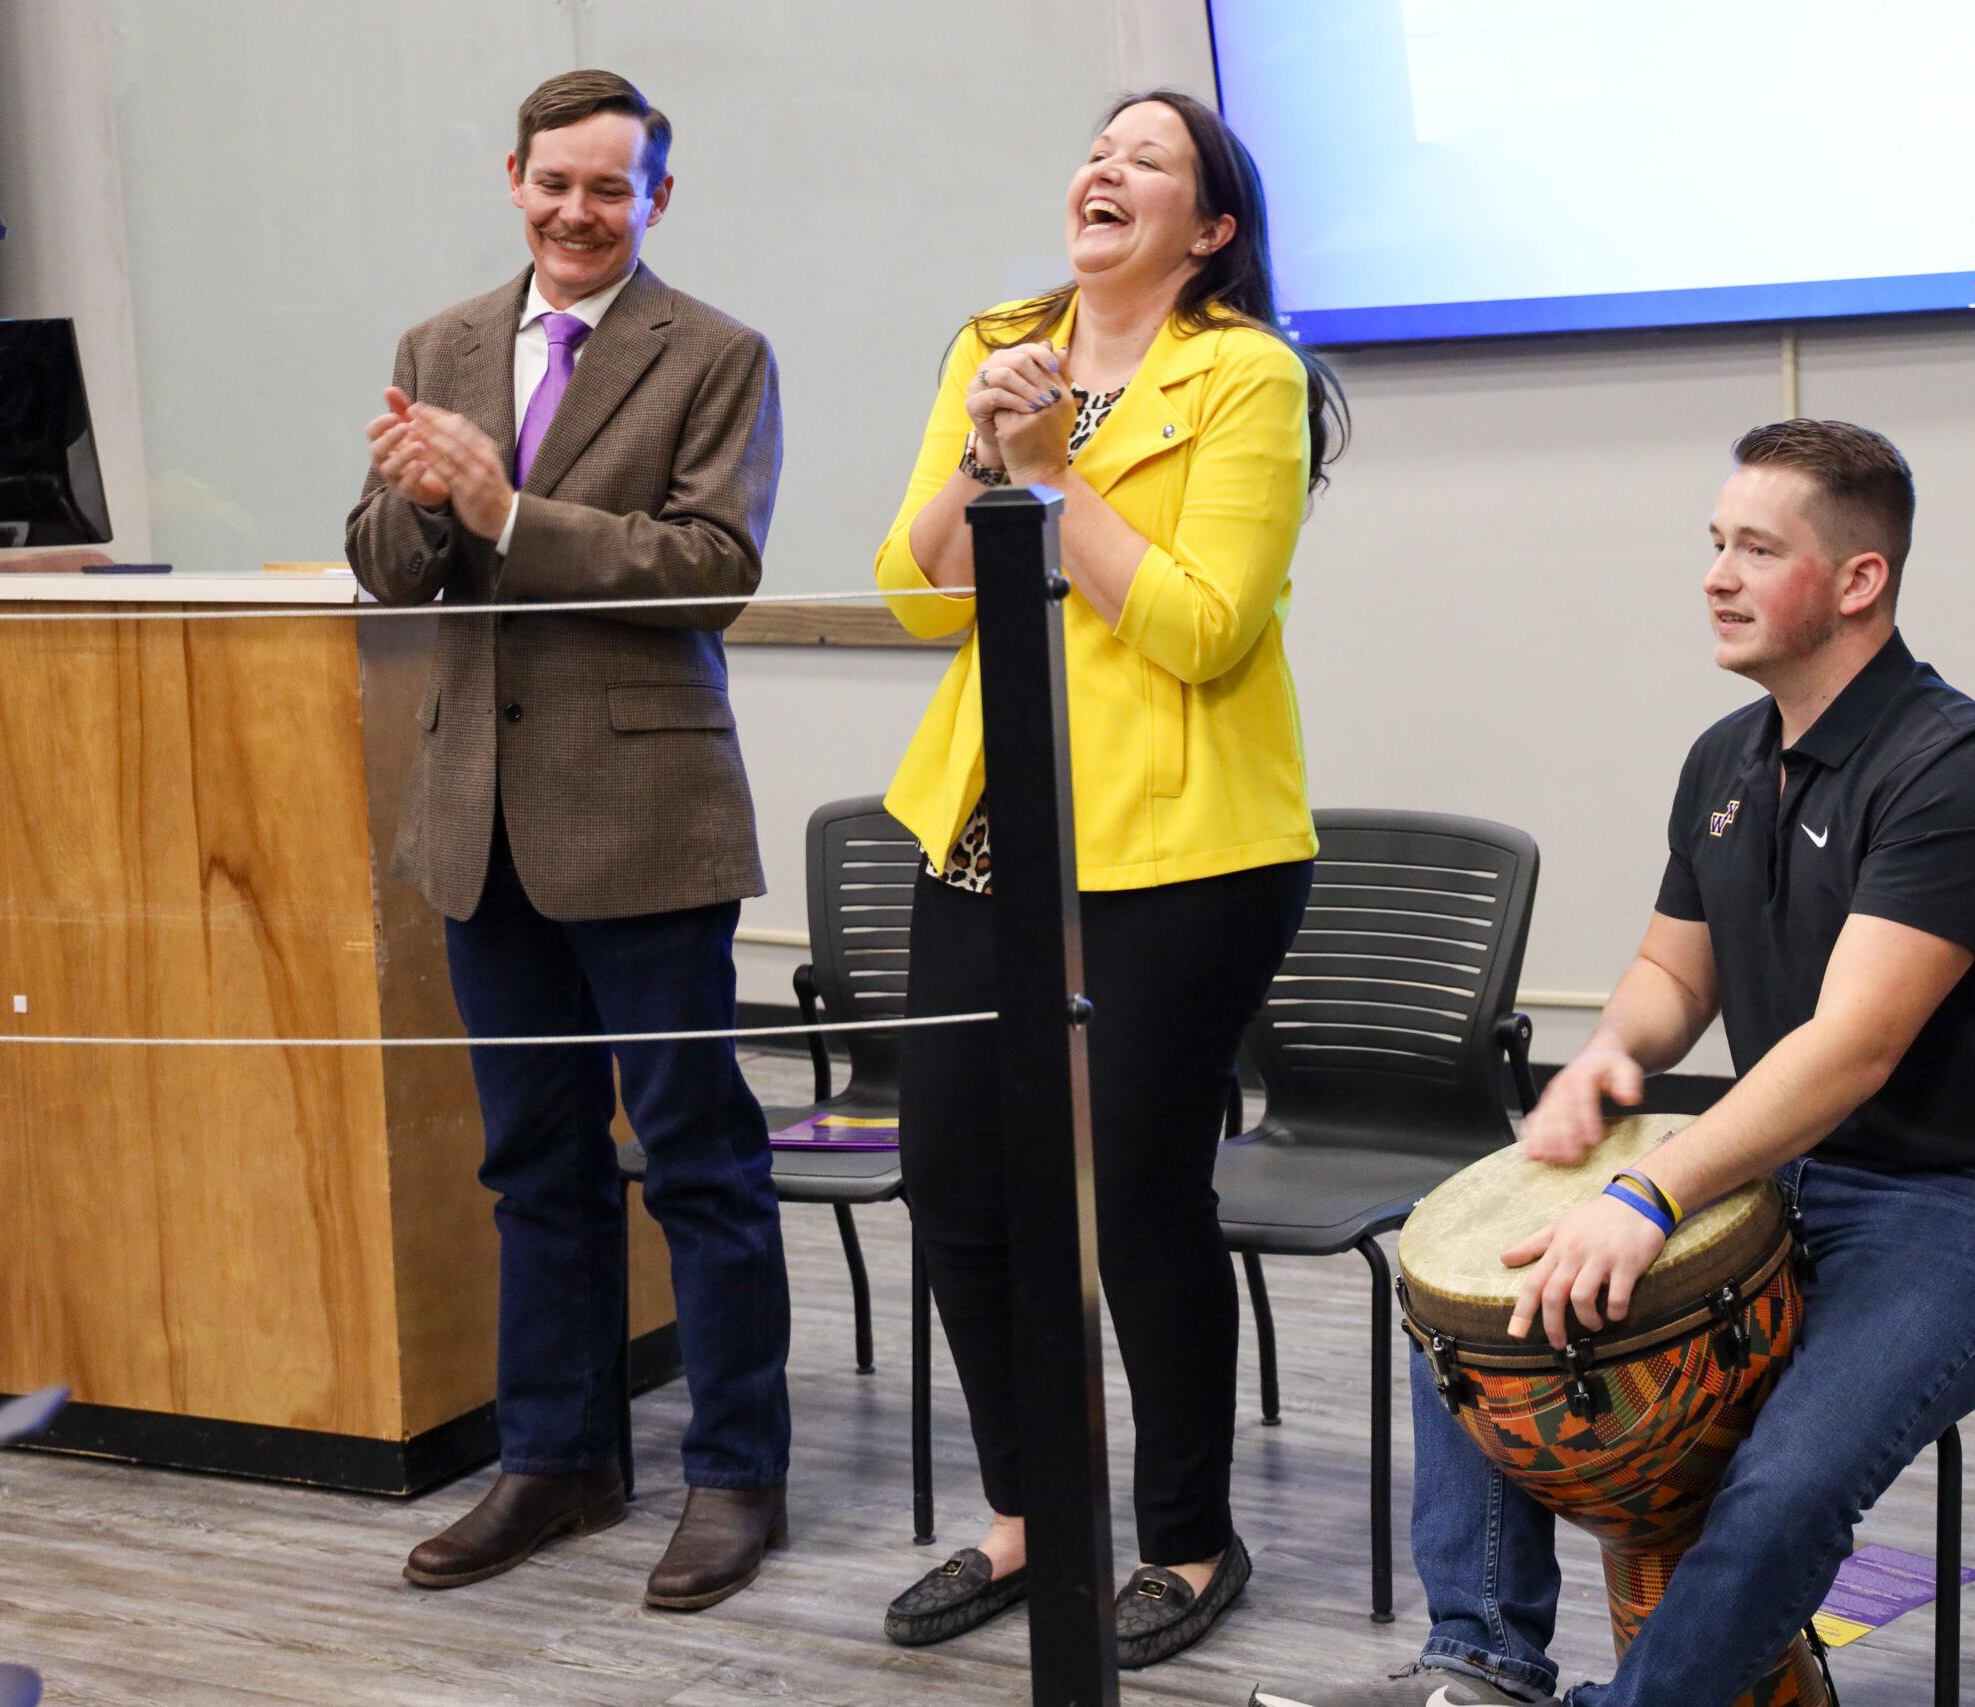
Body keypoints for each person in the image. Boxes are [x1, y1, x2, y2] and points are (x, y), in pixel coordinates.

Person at [1251, 420, 1975, 1707]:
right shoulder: (1727, 757)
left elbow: (1850, 1045)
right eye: (1715, 543)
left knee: (1789, 1481)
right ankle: (1478, 1668)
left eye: (1758, 549)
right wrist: (1607, 1062)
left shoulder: (1954, 768)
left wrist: (1649, 1193)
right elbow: (1672, 978)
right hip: (1792, 1177)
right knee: (1485, 1312)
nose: (1716, 574)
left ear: (1859, 581)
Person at [872, 88, 1347, 1669]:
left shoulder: (1246, 374)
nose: (1105, 170)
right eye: (1098, 150)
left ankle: (1187, 1538)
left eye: (1148, 161)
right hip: (996, 826)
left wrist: (1051, 476)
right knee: (953, 1177)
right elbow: (918, 595)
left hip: (1183, 847)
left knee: (1135, 1196)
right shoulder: (998, 339)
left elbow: (1205, 626)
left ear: (1208, 228)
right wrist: (981, 451)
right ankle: (1029, 1515)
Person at [344, 68, 789, 1613]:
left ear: (657, 198)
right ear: (513, 179)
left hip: (646, 820)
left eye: (611, 188)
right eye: (555, 183)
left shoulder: (716, 352)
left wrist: (508, 505)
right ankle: (560, 1455)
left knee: (701, 1163)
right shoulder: (441, 343)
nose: (577, 212)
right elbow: (391, 567)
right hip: (478, 819)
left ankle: (734, 1473)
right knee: (535, 1161)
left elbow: (712, 564)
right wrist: (421, 506)